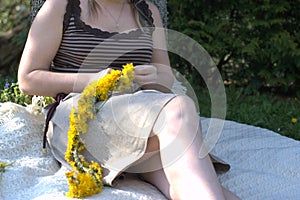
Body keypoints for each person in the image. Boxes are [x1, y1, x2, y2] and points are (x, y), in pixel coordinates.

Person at [18, 0, 240, 199]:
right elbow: (28, 79)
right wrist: (90, 79)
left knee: (196, 185)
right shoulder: (62, 6)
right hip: (81, 117)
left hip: (138, 116)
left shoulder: (147, 12)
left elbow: (164, 77)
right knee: (180, 108)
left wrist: (155, 76)